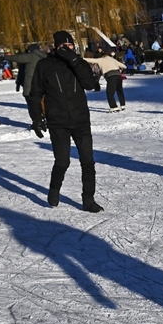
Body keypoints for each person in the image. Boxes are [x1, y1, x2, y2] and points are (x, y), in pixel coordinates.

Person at [28, 30, 104, 212]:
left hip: (81, 121)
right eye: (63, 45)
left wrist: (74, 61)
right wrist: (36, 118)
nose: (67, 48)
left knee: (88, 161)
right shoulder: (44, 65)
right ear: (56, 47)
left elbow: (90, 84)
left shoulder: (79, 63)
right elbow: (35, 93)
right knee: (62, 162)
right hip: (58, 122)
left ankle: (88, 199)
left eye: (70, 45)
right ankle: (54, 190)